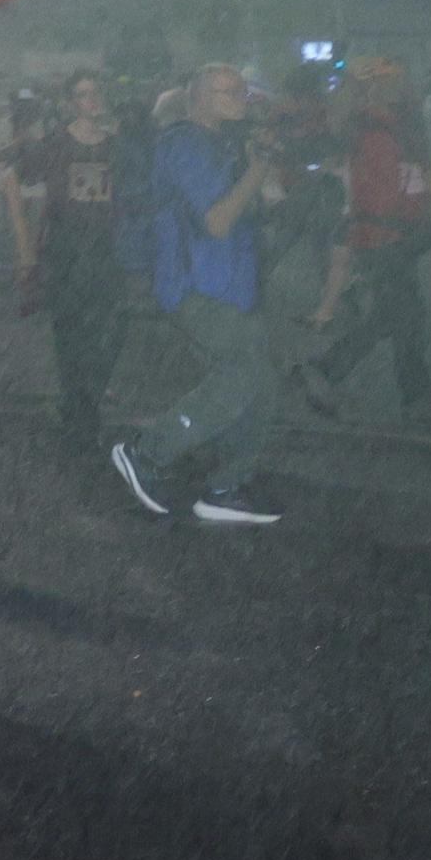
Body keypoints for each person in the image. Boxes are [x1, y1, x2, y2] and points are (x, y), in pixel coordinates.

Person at [109, 65, 286, 527]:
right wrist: (258, 169)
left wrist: (257, 173)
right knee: (242, 372)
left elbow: (255, 210)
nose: (242, 98)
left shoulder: (219, 146)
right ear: (200, 97)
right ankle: (147, 454)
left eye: (242, 90)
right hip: (196, 286)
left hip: (230, 287)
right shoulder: (183, 143)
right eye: (230, 91)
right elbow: (217, 221)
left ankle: (228, 487)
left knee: (261, 383)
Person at [299, 56, 431, 431]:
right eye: (387, 80)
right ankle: (409, 398)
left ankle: (327, 369)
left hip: (397, 236)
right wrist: (351, 86)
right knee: (405, 317)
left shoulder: (401, 123)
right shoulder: (367, 124)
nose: (396, 86)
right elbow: (339, 126)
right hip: (380, 238)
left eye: (398, 78)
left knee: (394, 317)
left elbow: (411, 178)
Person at [6, 72, 128, 455]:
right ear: (71, 102)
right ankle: (80, 414)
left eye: (96, 93)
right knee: (73, 338)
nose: (91, 100)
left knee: (108, 334)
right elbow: (10, 179)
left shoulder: (116, 146)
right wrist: (25, 247)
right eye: (83, 94)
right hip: (65, 255)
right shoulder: (56, 144)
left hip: (105, 255)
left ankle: (84, 405)